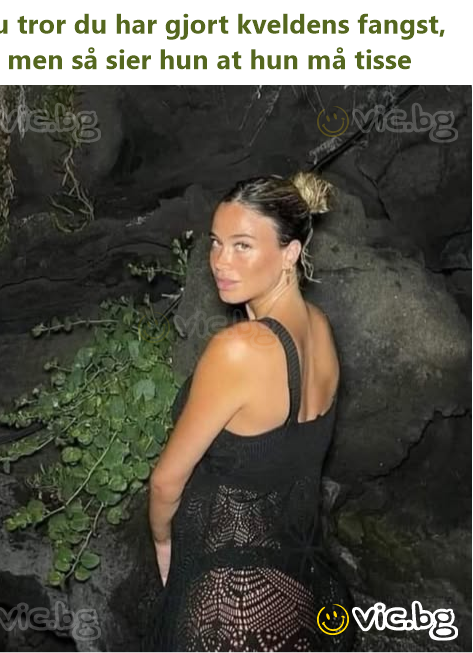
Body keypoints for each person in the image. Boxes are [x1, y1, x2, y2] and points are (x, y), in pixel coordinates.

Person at [143, 172, 357, 652]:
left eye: (242, 245)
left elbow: (165, 483)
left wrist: (163, 545)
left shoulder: (239, 350)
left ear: (290, 253)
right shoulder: (321, 329)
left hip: (230, 602)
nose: (220, 261)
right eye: (216, 243)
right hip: (296, 579)